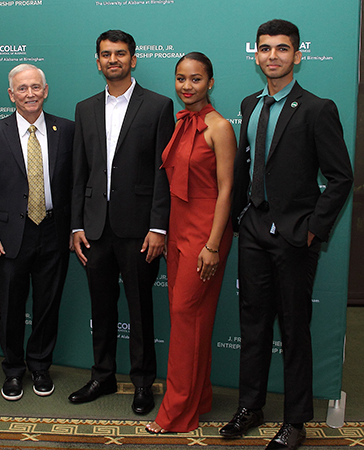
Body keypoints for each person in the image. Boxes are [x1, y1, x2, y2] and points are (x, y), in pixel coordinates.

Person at [219, 20, 353, 450]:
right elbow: (246, 167)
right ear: (255, 56)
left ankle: (296, 420)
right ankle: (251, 406)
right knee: (253, 324)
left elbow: (340, 177)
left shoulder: (317, 108)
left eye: (282, 49)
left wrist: (314, 229)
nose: (272, 55)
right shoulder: (249, 104)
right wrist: (240, 218)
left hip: (295, 237)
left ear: (298, 56)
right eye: (264, 48)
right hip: (254, 229)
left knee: (295, 330)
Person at [68, 30, 174, 415]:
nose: (113, 60)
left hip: (140, 229)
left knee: (141, 309)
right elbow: (80, 171)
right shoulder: (85, 108)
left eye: (121, 54)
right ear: (97, 61)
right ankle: (103, 375)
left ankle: (143, 382)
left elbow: (164, 172)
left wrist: (159, 227)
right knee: (102, 306)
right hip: (95, 228)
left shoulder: (159, 106)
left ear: (134, 59)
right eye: (106, 54)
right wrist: (76, 225)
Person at [145, 52, 236, 433]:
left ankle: (176, 412)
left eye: (196, 79)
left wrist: (213, 245)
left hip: (206, 230)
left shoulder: (219, 127)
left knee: (185, 319)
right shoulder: (180, 123)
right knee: (191, 319)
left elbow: (227, 190)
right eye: (181, 78)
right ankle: (199, 398)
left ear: (210, 82)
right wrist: (166, 232)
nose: (187, 86)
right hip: (178, 228)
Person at [0, 64, 74, 401]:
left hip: (53, 230)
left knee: (48, 305)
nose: (30, 94)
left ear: (45, 90)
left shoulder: (67, 130)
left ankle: (40, 367)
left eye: (36, 87)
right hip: (8, 235)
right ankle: (14, 370)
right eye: (22, 88)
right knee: (11, 307)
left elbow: (76, 185)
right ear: (11, 95)